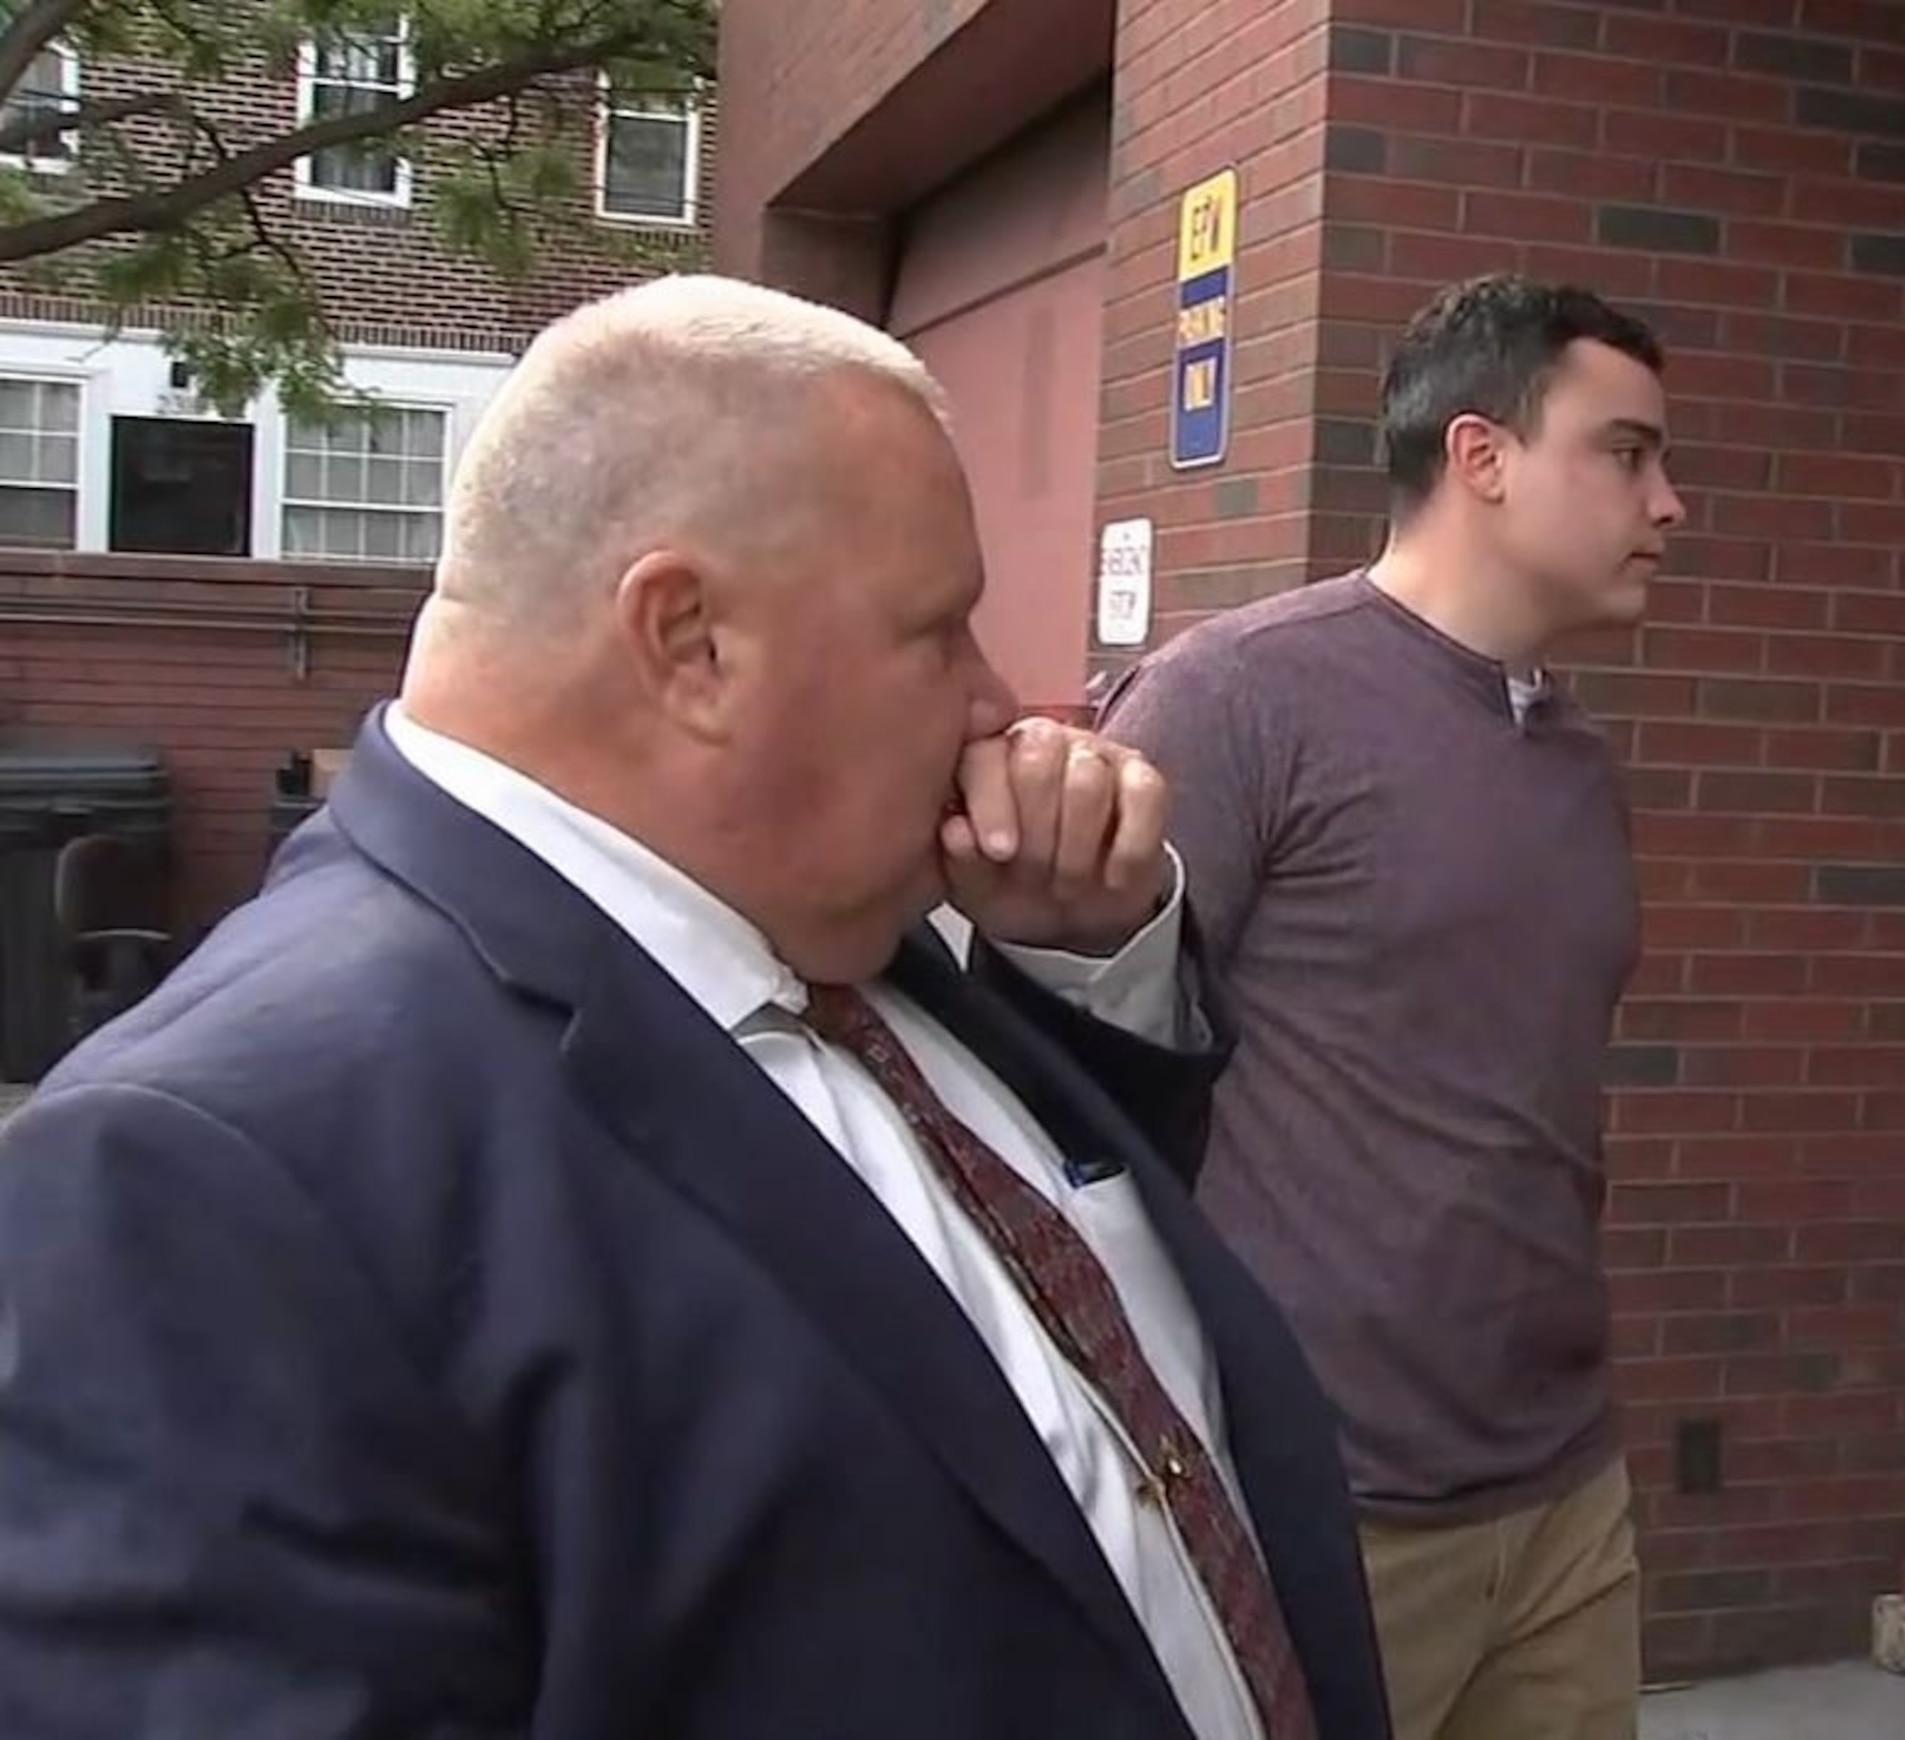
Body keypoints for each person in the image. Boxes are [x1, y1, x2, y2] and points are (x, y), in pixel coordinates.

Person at [0, 276, 1390, 1740]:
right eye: (939, 632)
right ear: (689, 642)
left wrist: (1080, 960)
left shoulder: (826, 915)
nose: (1003, 704)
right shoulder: (207, 1171)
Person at [1095, 274, 1676, 1740]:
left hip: (1560, 1498)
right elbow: (1077, 1080)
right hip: (1324, 1505)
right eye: (1626, 453)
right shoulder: (1238, 701)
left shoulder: (1574, 762)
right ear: (1480, 458)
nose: (1668, 504)